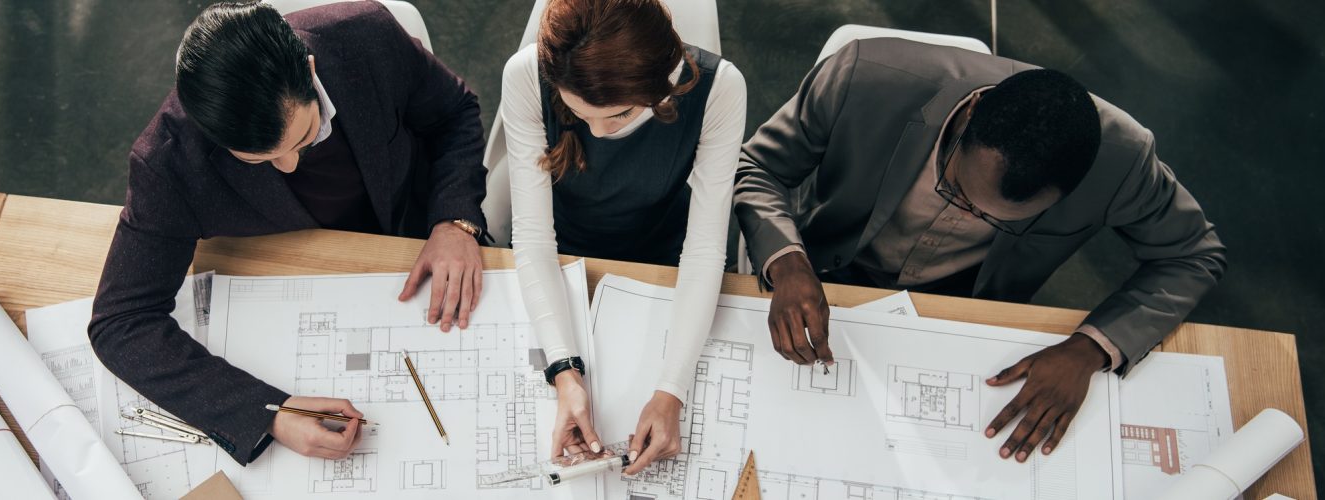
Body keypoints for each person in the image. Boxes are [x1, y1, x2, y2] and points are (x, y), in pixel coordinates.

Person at [735, 38, 1226, 463]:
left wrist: (1089, 348)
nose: (968, 215)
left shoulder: (1122, 162)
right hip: (826, 271)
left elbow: (1193, 255)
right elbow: (758, 166)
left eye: (994, 219)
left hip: (965, 309)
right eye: (956, 188)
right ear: (970, 115)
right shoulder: (861, 76)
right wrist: (788, 262)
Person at [89, 1, 490, 465]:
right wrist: (268, 413)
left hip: (416, 235)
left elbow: (455, 113)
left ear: (310, 69)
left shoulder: (367, 36)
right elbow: (121, 322)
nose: (291, 165)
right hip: (294, 281)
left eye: (306, 136)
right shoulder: (169, 161)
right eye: (258, 159)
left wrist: (454, 220)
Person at [500, 0, 747, 474]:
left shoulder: (723, 88)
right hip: (562, 251)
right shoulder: (525, 74)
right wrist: (563, 372)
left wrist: (672, 387)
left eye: (617, 116)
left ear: (664, 84)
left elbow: (705, 249)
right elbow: (532, 234)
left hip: (663, 256)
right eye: (581, 114)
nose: (598, 132)